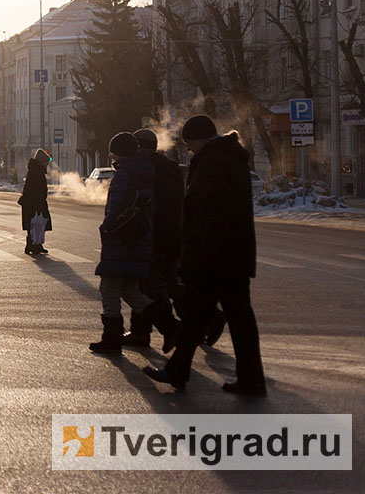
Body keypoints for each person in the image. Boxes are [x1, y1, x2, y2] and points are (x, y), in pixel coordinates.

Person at [144, 116, 267, 396]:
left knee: (215, 316)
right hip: (231, 253)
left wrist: (191, 256)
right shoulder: (228, 158)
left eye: (190, 144)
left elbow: (205, 216)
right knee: (209, 316)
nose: (189, 150)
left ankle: (247, 379)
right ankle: (245, 377)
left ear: (199, 139)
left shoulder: (213, 163)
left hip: (216, 256)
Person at [89, 132, 179, 355]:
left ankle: (111, 338)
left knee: (109, 289)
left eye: (113, 151)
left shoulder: (124, 176)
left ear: (118, 152)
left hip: (121, 242)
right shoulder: (145, 172)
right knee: (131, 292)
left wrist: (107, 229)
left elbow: (116, 209)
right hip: (138, 240)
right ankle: (171, 327)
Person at [122, 128, 184, 348]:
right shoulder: (170, 167)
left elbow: (143, 204)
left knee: (146, 284)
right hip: (173, 232)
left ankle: (159, 330)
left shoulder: (146, 168)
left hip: (153, 234)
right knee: (165, 281)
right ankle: (142, 331)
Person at [18, 148, 51, 255]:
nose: (47, 164)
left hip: (34, 202)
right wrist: (37, 203)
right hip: (33, 203)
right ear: (41, 162)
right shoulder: (36, 172)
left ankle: (35, 244)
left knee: (37, 223)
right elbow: (33, 189)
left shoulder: (36, 170)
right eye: (46, 162)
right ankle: (32, 245)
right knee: (35, 223)